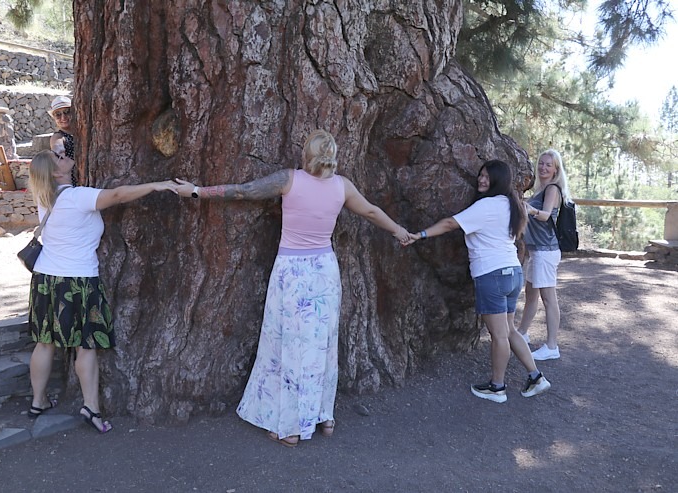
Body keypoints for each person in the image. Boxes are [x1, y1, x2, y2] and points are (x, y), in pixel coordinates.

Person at [172, 130, 413, 446]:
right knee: (321, 345)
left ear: (307, 154)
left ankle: (291, 427)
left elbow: (245, 191)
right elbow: (369, 211)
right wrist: (399, 231)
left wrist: (196, 191)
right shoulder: (342, 187)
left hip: (293, 275)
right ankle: (324, 416)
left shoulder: (289, 179)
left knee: (290, 346)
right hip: (325, 272)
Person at [26, 149, 176, 433]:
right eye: (58, 157)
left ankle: (38, 401)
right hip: (79, 280)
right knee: (87, 345)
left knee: (45, 343)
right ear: (56, 173)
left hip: (46, 279)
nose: (64, 155)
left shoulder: (45, 197)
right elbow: (118, 195)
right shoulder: (77, 196)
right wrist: (158, 184)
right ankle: (91, 406)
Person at [410, 160, 550, 403]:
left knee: (499, 335)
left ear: (498, 180)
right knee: (509, 329)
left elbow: (450, 223)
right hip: (512, 272)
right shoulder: (512, 204)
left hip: (492, 274)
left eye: (487, 177)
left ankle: (497, 387)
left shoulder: (486, 206)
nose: (482, 180)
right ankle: (536, 377)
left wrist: (420, 234)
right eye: (481, 175)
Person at [517, 149, 570, 361]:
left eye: (549, 165)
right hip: (537, 251)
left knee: (548, 298)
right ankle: (521, 334)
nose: (543, 167)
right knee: (531, 295)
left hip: (546, 251)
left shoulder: (552, 189)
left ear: (556, 168)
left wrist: (529, 210)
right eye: (541, 163)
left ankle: (551, 346)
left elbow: (546, 215)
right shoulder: (541, 188)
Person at [47, 95, 77, 185]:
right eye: (58, 114)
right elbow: (57, 150)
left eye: (67, 112)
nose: (63, 118)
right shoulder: (58, 137)